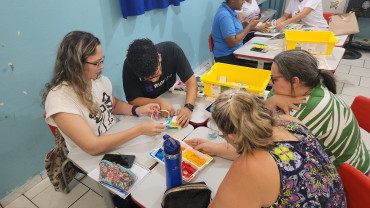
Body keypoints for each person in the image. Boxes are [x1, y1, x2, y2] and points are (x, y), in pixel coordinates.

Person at [186, 90, 346, 207]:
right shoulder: (289, 123)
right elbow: (259, 146)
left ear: (232, 137)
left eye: (223, 135)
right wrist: (214, 148)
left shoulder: (250, 167)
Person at [42, 31, 166, 156]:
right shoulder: (59, 100)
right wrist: (139, 130)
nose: (102, 66)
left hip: (117, 138)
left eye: (102, 60)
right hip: (92, 156)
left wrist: (138, 110)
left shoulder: (96, 79)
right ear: (76, 65)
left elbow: (114, 104)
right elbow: (92, 146)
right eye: (96, 63)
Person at [265, 50, 370, 175]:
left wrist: (269, 105)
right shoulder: (312, 86)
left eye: (274, 79)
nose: (270, 83)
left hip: (346, 177)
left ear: (295, 81)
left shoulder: (309, 110)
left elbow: (269, 145)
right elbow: (268, 104)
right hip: (355, 159)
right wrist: (272, 101)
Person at [122, 39, 197, 127]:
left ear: (159, 57)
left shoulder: (172, 50)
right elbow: (133, 100)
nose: (154, 81)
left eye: (156, 74)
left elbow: (191, 81)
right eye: (147, 79)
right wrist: (159, 102)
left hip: (170, 96)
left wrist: (188, 107)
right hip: (148, 113)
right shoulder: (130, 66)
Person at [211, 0, 260, 67]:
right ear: (232, 0)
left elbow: (233, 29)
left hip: (236, 52)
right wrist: (249, 27)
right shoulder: (225, 16)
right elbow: (232, 43)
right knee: (261, 66)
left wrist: (245, 24)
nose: (243, 1)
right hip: (227, 58)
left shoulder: (230, 10)